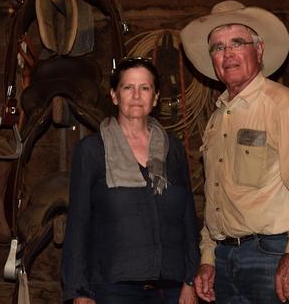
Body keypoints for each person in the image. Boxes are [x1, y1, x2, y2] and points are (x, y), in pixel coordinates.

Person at [180, 0, 289, 304]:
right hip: (225, 259)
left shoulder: (284, 107)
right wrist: (209, 256)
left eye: (238, 42)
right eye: (218, 47)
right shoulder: (217, 119)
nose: (228, 54)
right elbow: (216, 195)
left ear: (259, 50)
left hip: (273, 255)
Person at [61, 57, 200, 304]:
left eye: (145, 88)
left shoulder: (173, 149)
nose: (136, 95)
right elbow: (78, 224)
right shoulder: (93, 150)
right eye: (128, 87)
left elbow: (187, 218)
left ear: (155, 98)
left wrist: (190, 279)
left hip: (170, 287)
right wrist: (79, 291)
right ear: (114, 96)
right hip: (112, 287)